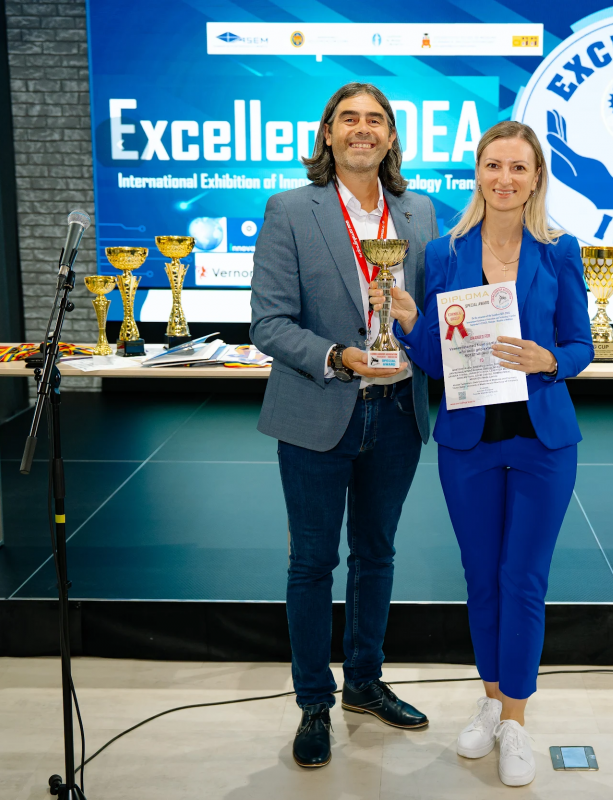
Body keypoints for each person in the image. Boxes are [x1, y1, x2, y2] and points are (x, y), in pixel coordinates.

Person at [369, 120, 592, 787]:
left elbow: (581, 344)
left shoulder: (560, 251)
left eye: (518, 167)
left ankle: (515, 721)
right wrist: (412, 321)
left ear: (536, 176)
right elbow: (438, 361)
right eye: (494, 165)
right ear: (478, 173)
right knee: (482, 578)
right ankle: (491, 702)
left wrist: (549, 359)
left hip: (542, 442)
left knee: (523, 579)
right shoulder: (445, 253)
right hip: (468, 443)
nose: (505, 178)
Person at [249, 83, 441, 769]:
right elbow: (268, 323)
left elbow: (435, 310)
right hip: (317, 408)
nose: (363, 129)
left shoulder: (420, 213)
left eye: (376, 120)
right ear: (327, 134)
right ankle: (313, 703)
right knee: (312, 563)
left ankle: (363, 681)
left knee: (376, 554)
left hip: (398, 412)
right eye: (349, 119)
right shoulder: (289, 210)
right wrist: (336, 356)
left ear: (391, 137)